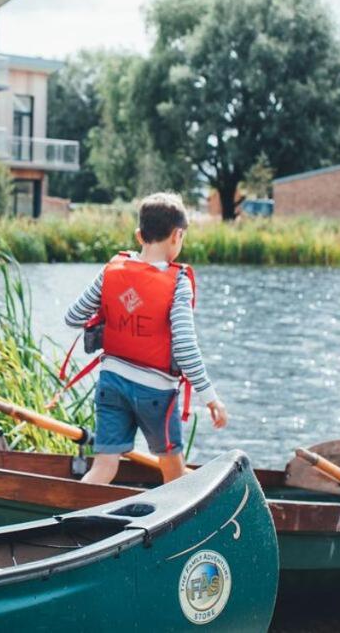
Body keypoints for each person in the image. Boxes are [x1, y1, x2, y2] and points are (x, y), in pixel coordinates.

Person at [63, 193, 228, 485]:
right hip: (156, 394)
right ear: (178, 236)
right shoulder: (178, 282)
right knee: (174, 473)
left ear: (139, 235)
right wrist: (209, 396)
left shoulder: (112, 271)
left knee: (103, 467)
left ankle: (71, 514)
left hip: (111, 383)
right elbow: (185, 347)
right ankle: (180, 528)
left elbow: (73, 317)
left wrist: (114, 312)